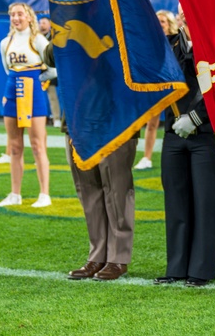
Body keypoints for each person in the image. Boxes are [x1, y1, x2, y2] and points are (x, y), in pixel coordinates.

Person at [40, 43, 136, 282]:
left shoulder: (122, 18)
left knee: (116, 189)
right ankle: (98, 255)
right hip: (78, 118)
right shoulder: (72, 21)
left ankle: (118, 258)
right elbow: (51, 57)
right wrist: (62, 27)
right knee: (88, 191)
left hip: (116, 118)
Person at [154, 7, 215, 287]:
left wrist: (196, 118)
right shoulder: (169, 45)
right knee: (176, 200)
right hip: (174, 131)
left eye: (191, 6)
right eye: (182, 10)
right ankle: (176, 267)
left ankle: (201, 270)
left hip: (207, 134)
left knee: (206, 202)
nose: (186, 13)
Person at [0, 3, 52, 208]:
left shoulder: (38, 40)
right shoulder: (5, 42)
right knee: (15, 146)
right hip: (12, 91)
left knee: (37, 145)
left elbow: (54, 69)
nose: (15, 18)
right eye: (12, 14)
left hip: (33, 92)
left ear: (29, 17)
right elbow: (7, 69)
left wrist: (37, 81)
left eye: (20, 14)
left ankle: (44, 194)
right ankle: (15, 194)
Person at [135, 10, 173, 171]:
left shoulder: (177, 40)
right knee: (151, 124)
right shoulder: (149, 41)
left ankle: (174, 155)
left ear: (170, 24)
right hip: (156, 85)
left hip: (175, 86)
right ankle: (146, 157)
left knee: (174, 122)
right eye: (157, 21)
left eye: (163, 21)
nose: (159, 24)